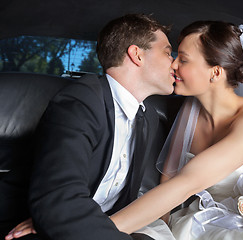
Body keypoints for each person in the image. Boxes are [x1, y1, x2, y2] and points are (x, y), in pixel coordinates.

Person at [9, 20, 243, 239]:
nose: (174, 65)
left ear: (215, 72)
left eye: (183, 59)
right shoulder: (187, 110)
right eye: (172, 54)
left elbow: (185, 184)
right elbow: (165, 192)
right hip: (196, 219)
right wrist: (66, 224)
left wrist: (74, 228)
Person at [5, 14, 175, 240]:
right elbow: (59, 201)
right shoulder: (81, 101)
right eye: (167, 52)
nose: (174, 62)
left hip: (91, 225)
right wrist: (60, 218)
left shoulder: (148, 118)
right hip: (24, 226)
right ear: (137, 55)